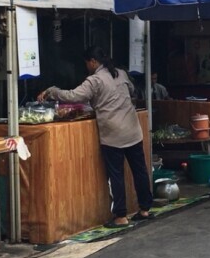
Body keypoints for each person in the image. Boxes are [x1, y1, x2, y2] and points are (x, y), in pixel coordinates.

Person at [38, 47, 154, 227]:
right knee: (139, 170)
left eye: (86, 63)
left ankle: (121, 216)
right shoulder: (121, 73)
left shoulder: (94, 80)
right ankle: (145, 209)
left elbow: (73, 96)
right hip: (132, 130)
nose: (86, 66)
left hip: (113, 134)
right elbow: (131, 91)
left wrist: (52, 91)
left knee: (116, 175)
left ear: (92, 61)